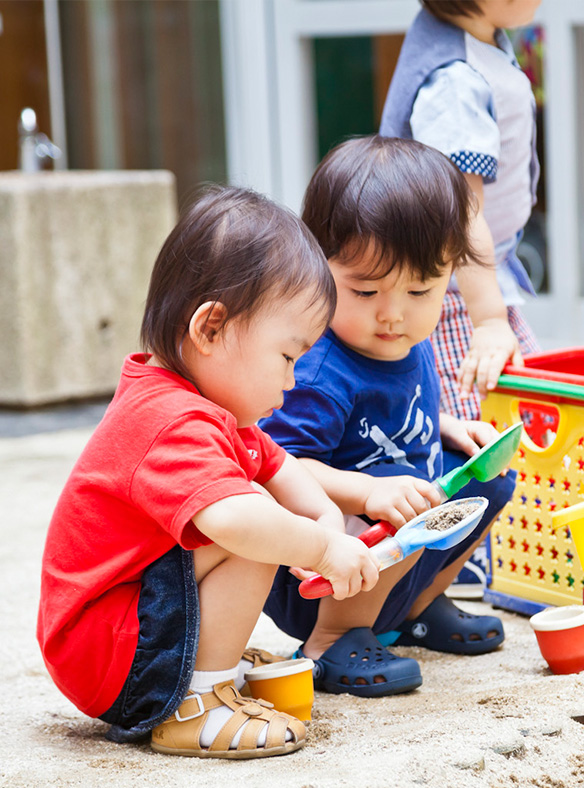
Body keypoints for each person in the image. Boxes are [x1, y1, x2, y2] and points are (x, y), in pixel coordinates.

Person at [36, 185, 381, 759]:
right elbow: (239, 520)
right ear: (211, 328)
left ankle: (201, 661)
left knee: (263, 510)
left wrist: (325, 519)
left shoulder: (208, 403)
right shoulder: (169, 420)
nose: (292, 381)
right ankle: (194, 702)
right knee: (250, 522)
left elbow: (280, 463)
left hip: (122, 628)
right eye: (287, 356)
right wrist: (320, 548)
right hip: (108, 653)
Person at [261, 136, 517, 698]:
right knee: (403, 501)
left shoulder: (405, 340)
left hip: (397, 552)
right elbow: (275, 469)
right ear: (318, 266)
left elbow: (406, 416)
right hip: (320, 575)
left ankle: (416, 611)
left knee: (489, 477)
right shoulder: (320, 369)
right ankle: (332, 641)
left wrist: (450, 427)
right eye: (366, 288)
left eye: (421, 289)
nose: (392, 313)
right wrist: (365, 493)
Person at [379, 0, 542, 421]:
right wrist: (488, 322)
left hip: (475, 280)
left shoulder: (478, 38)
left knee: (530, 410)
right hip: (452, 297)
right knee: (491, 431)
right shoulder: (454, 81)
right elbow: (460, 214)